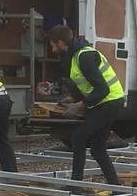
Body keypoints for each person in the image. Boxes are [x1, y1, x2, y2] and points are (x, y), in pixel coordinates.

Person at [47, 25, 123, 186]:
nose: (53, 49)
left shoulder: (84, 56)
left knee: (79, 137)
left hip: (109, 101)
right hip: (103, 102)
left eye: (53, 45)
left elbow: (102, 89)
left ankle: (76, 185)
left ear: (60, 43)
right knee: (97, 148)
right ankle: (116, 186)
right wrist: (72, 97)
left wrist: (80, 105)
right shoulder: (74, 56)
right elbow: (86, 84)